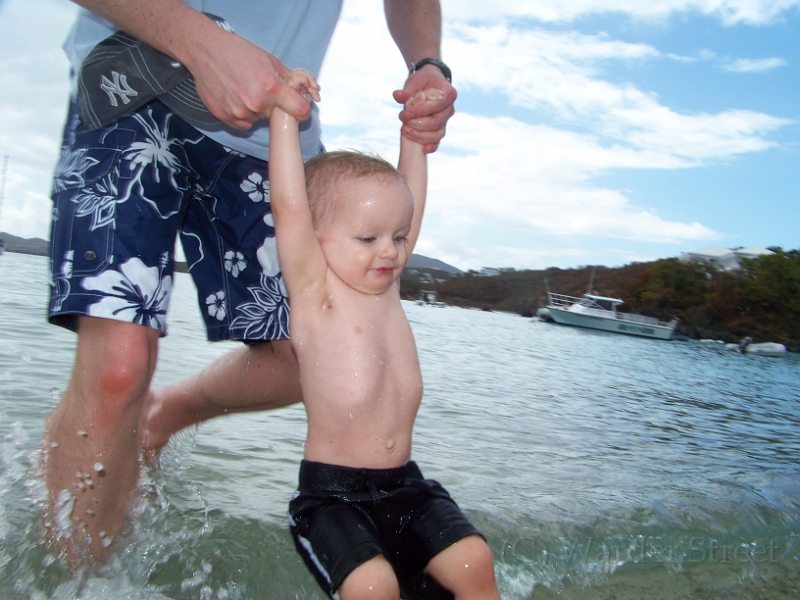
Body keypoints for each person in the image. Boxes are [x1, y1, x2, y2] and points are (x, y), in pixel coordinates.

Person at [43, 0, 456, 565]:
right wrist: (199, 42)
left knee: (312, 356)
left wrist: (425, 63)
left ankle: (165, 413)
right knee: (118, 368)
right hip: (133, 83)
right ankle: (79, 578)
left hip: (271, 125)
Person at [269, 73, 499, 600]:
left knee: (474, 562)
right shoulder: (315, 292)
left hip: (407, 486)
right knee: (374, 587)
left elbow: (409, 197)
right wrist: (283, 112)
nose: (391, 251)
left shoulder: (387, 286)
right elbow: (288, 204)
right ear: (317, 239)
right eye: (368, 237)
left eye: (396, 237)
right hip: (335, 497)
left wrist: (413, 134)